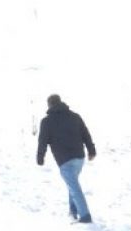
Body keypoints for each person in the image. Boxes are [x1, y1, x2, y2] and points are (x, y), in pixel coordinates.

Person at [37, 94, 96, 224]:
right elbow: (85, 133)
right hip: (79, 158)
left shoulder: (46, 122)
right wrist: (91, 150)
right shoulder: (75, 116)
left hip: (65, 160)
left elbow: (42, 141)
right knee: (72, 184)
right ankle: (73, 211)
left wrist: (40, 157)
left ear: (49, 105)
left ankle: (85, 216)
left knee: (74, 187)